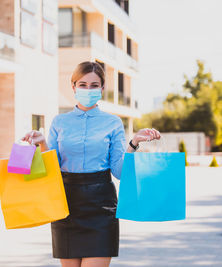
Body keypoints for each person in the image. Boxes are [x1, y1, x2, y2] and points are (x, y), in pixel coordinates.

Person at [22, 61, 160, 267]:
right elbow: (53, 169)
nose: (88, 89)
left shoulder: (113, 123)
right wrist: (42, 143)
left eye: (94, 85)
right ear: (74, 87)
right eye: (83, 84)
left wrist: (134, 143)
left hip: (101, 207)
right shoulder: (59, 122)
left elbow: (120, 172)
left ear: (102, 88)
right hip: (66, 205)